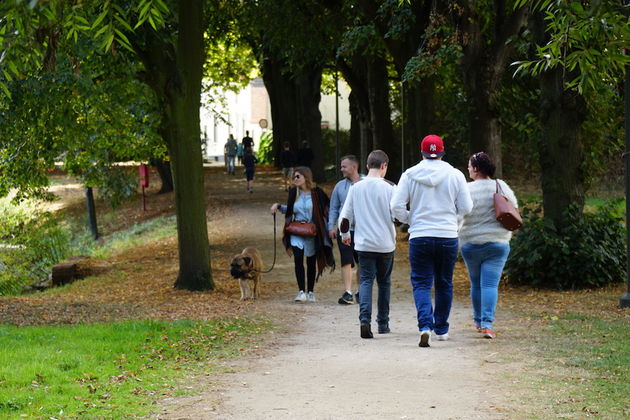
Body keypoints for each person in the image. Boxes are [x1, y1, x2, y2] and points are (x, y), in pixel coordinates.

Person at [390, 134, 473, 348]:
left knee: (421, 282)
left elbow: (396, 206)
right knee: (444, 282)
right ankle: (442, 328)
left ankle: (424, 326)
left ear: (422, 152)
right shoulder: (455, 175)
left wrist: (411, 219)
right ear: (442, 152)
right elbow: (466, 207)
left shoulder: (409, 175)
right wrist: (452, 217)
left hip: (420, 235)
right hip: (447, 235)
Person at [459, 152, 517, 339]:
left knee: (476, 284)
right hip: (498, 243)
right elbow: (513, 208)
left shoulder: (467, 189)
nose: (468, 168)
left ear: (476, 169)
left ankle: (477, 321)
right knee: (490, 285)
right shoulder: (501, 186)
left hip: (471, 244)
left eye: (469, 166)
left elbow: (459, 213)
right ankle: (488, 325)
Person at [339, 150, 396, 339]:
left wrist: (345, 235)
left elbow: (345, 217)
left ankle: (364, 321)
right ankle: (383, 323)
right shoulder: (390, 188)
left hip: (364, 244)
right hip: (386, 244)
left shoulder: (356, 188)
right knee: (384, 283)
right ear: (384, 166)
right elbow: (398, 214)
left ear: (366, 166)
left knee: (365, 282)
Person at [270, 167, 335, 303]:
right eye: (294, 177)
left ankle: (310, 292)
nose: (295, 179)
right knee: (298, 259)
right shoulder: (294, 192)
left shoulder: (317, 193)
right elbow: (290, 209)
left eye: (298, 176)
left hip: (312, 232)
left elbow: (327, 209)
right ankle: (301, 292)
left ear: (306, 177)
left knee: (311, 261)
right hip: (296, 230)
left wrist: (330, 227)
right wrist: (278, 206)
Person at [328, 155, 362, 305]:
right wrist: (331, 226)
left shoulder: (367, 182)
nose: (341, 169)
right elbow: (334, 208)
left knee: (362, 261)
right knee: (346, 260)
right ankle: (347, 291)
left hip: (363, 229)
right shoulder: (339, 186)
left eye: (344, 166)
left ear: (354, 167)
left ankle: (361, 290)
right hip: (344, 229)